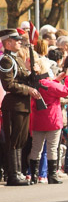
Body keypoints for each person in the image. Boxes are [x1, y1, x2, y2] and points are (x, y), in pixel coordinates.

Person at [0, 29, 41, 186]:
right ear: (8, 42)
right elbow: (8, 84)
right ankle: (13, 174)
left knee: (21, 140)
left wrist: (33, 74)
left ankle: (18, 173)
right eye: (16, 40)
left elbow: (23, 79)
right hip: (14, 105)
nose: (19, 42)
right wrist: (28, 90)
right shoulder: (6, 61)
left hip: (22, 105)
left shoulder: (16, 59)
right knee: (13, 140)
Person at [27, 57, 68, 184]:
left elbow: (46, 85)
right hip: (53, 120)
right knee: (52, 148)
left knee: (36, 148)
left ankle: (33, 176)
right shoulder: (49, 84)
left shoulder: (34, 83)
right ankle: (52, 175)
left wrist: (57, 79)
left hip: (38, 120)